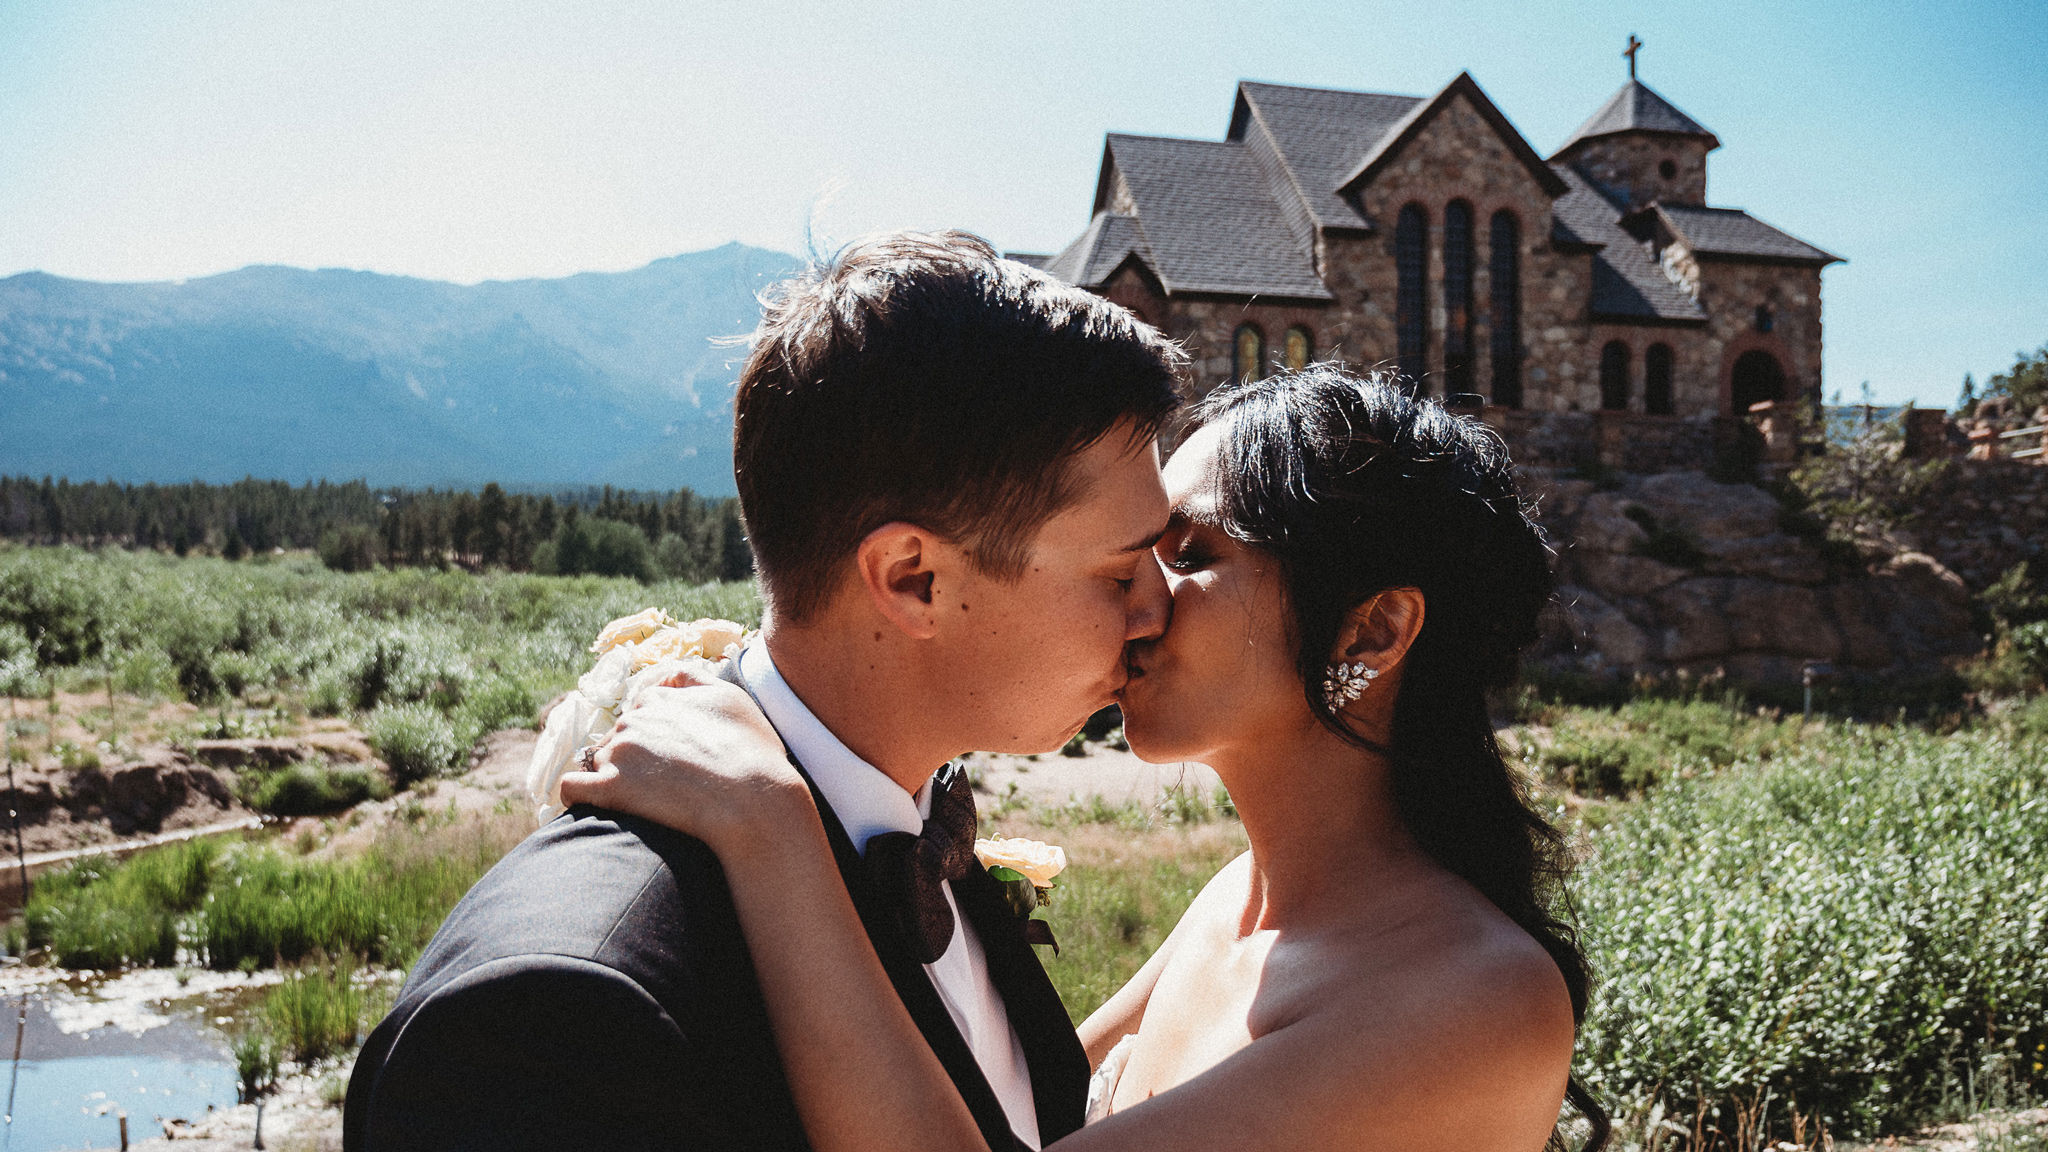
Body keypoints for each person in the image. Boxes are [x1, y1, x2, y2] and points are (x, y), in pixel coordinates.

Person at [562, 365, 1612, 1151]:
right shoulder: (1235, 898)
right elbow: (1008, 1099)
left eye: (1192, 556)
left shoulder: (1477, 998)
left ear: (1371, 632)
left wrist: (769, 825)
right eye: (1130, 555)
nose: (1138, 599)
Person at [342, 230, 1186, 1151]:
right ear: (913, 580)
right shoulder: (554, 1015)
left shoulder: (923, 834)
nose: (1159, 611)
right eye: (1118, 573)